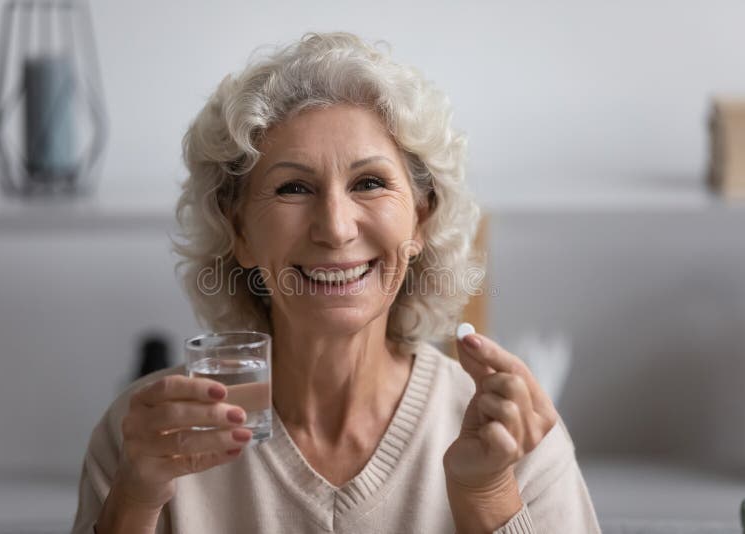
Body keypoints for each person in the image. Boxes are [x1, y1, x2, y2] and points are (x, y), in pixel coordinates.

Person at [72, 32, 601, 534]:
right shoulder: (144, 439)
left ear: (420, 219)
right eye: (293, 187)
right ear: (240, 233)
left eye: (369, 183)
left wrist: (488, 497)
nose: (336, 227)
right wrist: (134, 502)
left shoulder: (510, 438)